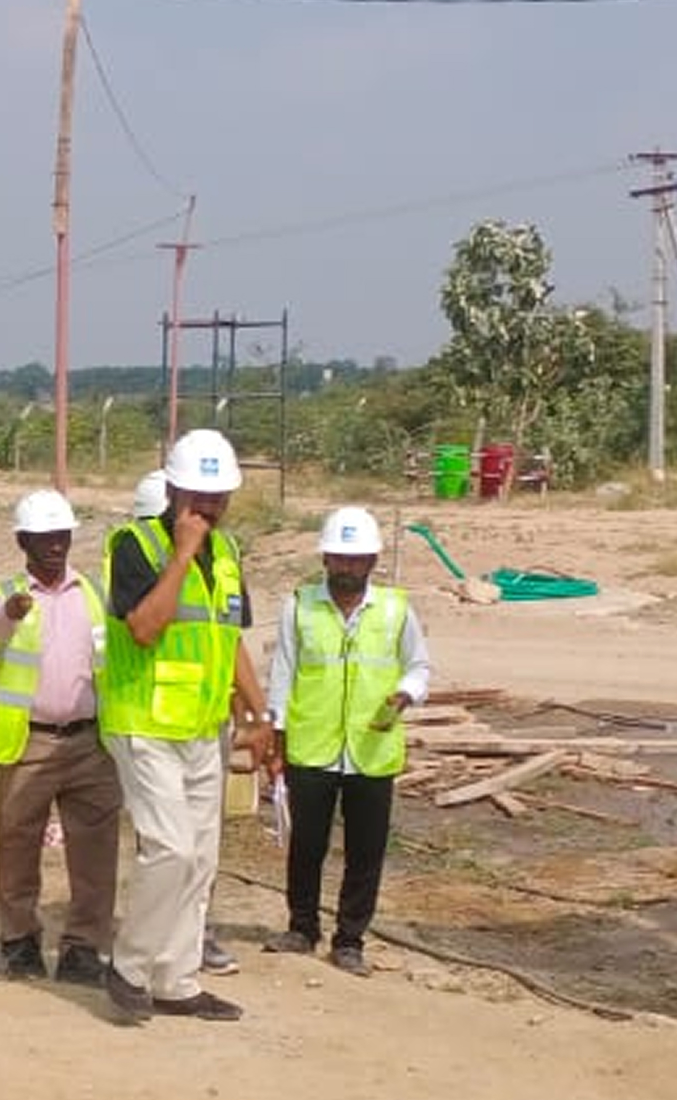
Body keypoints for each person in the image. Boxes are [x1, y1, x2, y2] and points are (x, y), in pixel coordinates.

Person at [98, 430, 273, 1025]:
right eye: (199, 495)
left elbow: (229, 640)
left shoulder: (227, 554)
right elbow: (145, 628)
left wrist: (259, 714)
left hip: (203, 727)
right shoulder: (134, 545)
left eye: (219, 496)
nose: (210, 507)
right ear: (173, 490)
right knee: (169, 848)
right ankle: (129, 967)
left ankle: (176, 979)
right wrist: (181, 554)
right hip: (143, 722)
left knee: (199, 858)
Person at [263, 505, 429, 976]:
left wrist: (406, 693)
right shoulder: (299, 606)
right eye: (339, 558)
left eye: (356, 560)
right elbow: (283, 674)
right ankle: (302, 927)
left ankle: (350, 939)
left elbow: (419, 666)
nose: (347, 567)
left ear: (372, 561)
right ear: (325, 558)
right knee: (306, 845)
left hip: (371, 750)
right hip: (313, 745)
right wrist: (275, 740)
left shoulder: (396, 610)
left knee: (365, 850)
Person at [0, 489, 120, 986]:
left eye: (62, 537)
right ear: (23, 542)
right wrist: (12, 612)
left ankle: (84, 949)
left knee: (95, 850)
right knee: (18, 844)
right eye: (44, 538)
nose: (56, 546)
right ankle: (18, 945)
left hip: (91, 741)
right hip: (30, 741)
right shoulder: (8, 593)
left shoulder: (94, 593)